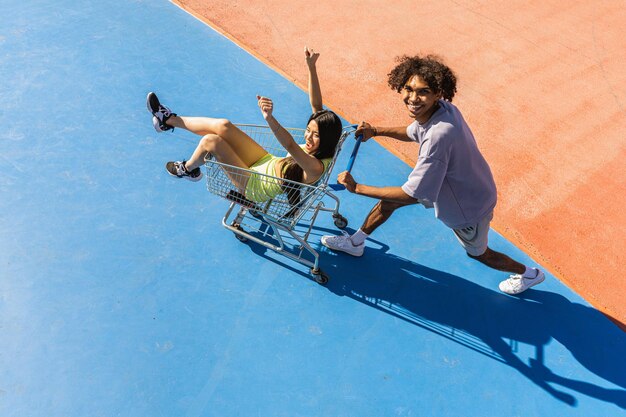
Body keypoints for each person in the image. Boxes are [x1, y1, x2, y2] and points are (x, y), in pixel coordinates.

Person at [321, 54, 545, 295]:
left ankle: (529, 273)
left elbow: (412, 194)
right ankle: (356, 242)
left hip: (468, 206)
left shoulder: (438, 137)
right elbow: (412, 132)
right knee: (388, 202)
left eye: (423, 92)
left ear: (438, 93)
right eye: (408, 89)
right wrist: (375, 131)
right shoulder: (443, 110)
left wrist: (357, 188)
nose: (413, 98)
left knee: (480, 254)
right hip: (467, 182)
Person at [145, 46, 342, 204]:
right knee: (224, 126)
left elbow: (290, 145)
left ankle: (187, 169)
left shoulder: (315, 168)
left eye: (315, 135)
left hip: (255, 185)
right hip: (266, 162)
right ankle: (167, 120)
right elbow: (316, 105)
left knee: (211, 142)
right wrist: (311, 67)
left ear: (327, 139)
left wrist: (269, 118)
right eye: (308, 130)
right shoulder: (326, 143)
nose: (308, 137)